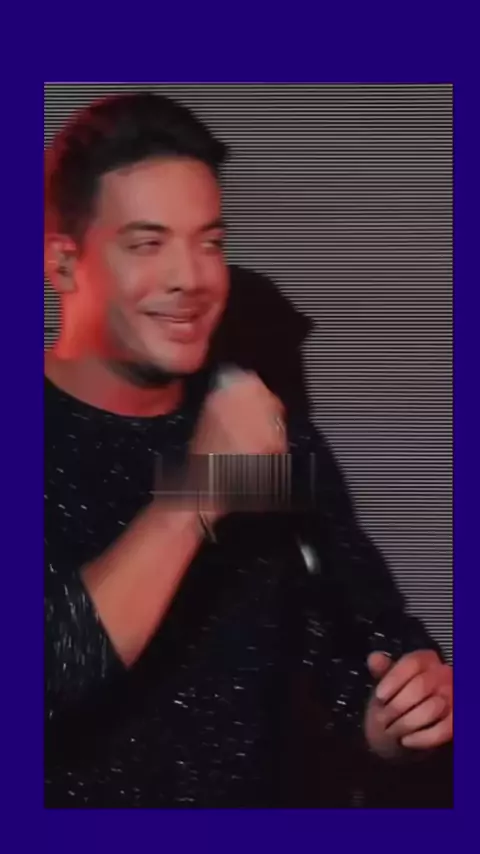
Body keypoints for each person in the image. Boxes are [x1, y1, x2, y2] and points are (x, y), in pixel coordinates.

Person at [44, 91, 453, 808]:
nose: (192, 278)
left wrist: (395, 715)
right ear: (65, 264)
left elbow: (353, 637)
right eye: (148, 243)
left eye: (209, 242)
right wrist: (197, 493)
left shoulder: (260, 426)